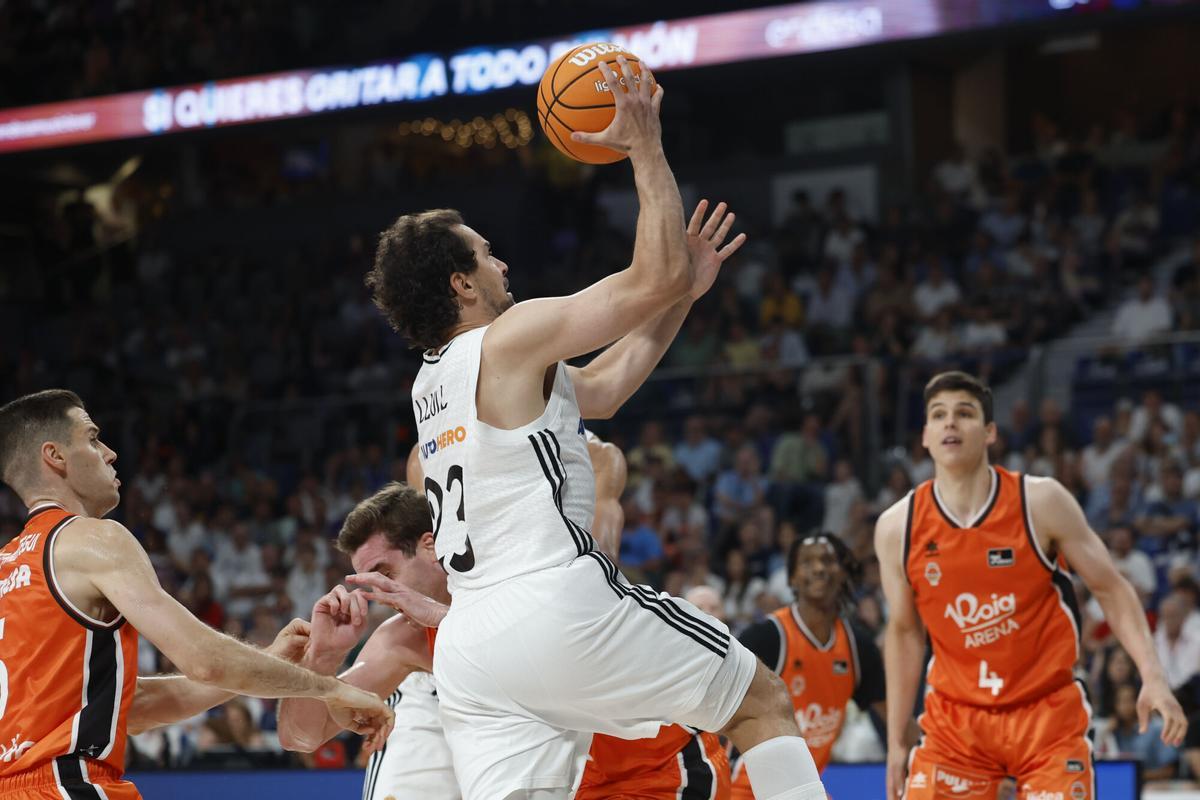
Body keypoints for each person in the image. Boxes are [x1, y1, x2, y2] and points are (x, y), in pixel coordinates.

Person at [358, 55, 820, 800]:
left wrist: (680, 300)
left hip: (474, 647)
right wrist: (644, 147)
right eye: (485, 253)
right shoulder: (508, 339)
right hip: (552, 602)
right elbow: (651, 274)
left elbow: (601, 389)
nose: (502, 261)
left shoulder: (434, 381)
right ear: (461, 283)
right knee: (760, 701)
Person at [282, 437, 730, 800]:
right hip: (581, 782)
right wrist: (322, 658)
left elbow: (604, 470)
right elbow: (301, 737)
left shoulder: (522, 573)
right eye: (366, 582)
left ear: (431, 544)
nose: (377, 593)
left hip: (662, 765)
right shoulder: (405, 637)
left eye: (384, 574)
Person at [0, 390, 393, 799]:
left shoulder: (8, 566)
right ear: (55, 456)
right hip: (65, 785)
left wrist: (267, 662)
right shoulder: (92, 539)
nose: (111, 452)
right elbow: (206, 661)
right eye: (93, 438)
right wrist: (329, 688)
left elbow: (136, 707)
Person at [875, 372, 1187, 799]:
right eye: (938, 415)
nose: (950, 423)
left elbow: (1111, 588)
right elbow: (905, 632)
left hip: (1047, 713)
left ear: (989, 432)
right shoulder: (898, 526)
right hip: (956, 722)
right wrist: (895, 742)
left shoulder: (1039, 501)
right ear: (925, 436)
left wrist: (1153, 676)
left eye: (964, 414)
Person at [730, 533, 887, 798]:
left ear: (843, 572)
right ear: (792, 578)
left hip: (804, 788)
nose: (818, 568)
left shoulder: (858, 648)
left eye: (828, 560)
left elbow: (896, 722)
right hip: (745, 787)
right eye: (807, 562)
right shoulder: (766, 637)